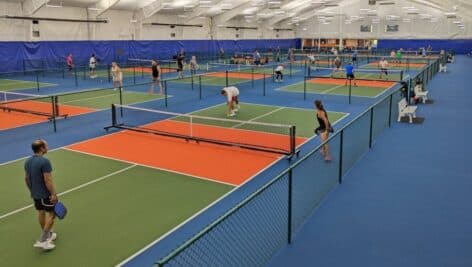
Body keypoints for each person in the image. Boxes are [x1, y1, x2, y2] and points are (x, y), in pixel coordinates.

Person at [25, 139, 58, 251]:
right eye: (46, 146)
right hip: (45, 195)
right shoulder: (45, 162)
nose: (47, 148)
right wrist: (53, 194)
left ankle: (48, 235)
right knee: (52, 214)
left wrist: (32, 190)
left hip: (35, 194)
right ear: (42, 148)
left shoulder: (28, 161)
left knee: (41, 212)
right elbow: (47, 180)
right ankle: (43, 240)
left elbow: (26, 178)